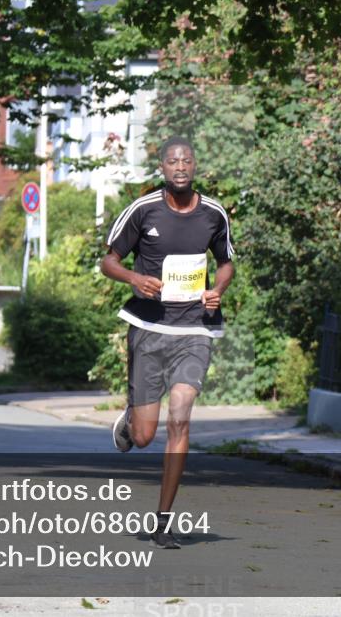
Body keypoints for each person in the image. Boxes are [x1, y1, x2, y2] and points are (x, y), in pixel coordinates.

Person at [100, 136, 235, 549]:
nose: (180, 167)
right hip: (149, 327)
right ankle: (130, 419)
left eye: (187, 160)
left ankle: (163, 521)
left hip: (195, 328)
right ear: (162, 167)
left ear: (195, 166)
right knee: (144, 436)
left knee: (180, 415)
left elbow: (227, 262)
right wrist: (134, 279)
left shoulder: (213, 214)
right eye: (173, 161)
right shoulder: (142, 210)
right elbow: (108, 261)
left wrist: (218, 289)